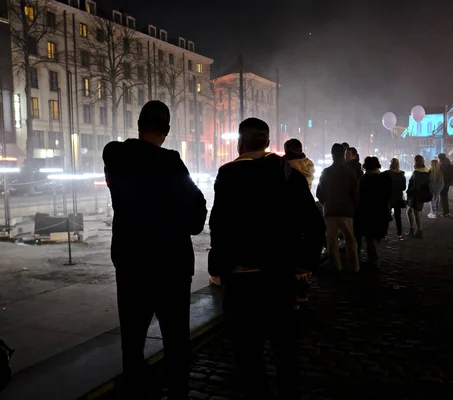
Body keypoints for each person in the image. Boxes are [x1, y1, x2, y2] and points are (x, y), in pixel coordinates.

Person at [208, 118, 325, 400]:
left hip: (241, 278)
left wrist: (218, 268)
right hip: (280, 277)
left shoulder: (229, 174)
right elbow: (314, 223)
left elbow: (219, 225)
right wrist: (306, 262)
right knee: (285, 351)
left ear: (241, 142)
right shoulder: (289, 174)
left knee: (248, 356)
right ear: (268, 142)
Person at [103, 101, 207, 400]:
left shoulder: (116, 156)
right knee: (176, 342)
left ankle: (134, 392)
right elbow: (197, 212)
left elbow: (114, 150)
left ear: (139, 125)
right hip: (170, 266)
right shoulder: (172, 163)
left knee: (132, 342)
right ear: (167, 130)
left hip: (131, 264)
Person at [317, 143, 360, 272]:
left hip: (330, 210)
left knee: (332, 241)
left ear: (332, 155)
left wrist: (325, 203)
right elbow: (355, 192)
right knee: (350, 239)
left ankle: (337, 267)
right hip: (346, 210)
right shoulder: (350, 172)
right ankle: (355, 266)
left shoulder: (326, 172)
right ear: (343, 154)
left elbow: (319, 192)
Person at [354, 157, 392, 266]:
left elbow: (359, 196)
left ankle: (359, 259)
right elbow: (388, 195)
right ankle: (373, 258)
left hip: (365, 213)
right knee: (372, 236)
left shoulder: (364, 179)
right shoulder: (384, 178)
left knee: (364, 236)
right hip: (380, 212)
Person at [406, 155, 432, 239]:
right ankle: (414, 230)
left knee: (416, 212)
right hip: (423, 194)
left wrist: (409, 192)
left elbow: (413, 185)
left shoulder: (416, 172)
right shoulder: (427, 171)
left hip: (415, 195)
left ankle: (418, 231)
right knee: (412, 211)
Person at [382, 158, 406, 239]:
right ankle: (400, 234)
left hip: (388, 197)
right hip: (398, 197)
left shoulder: (386, 174)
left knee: (386, 216)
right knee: (398, 216)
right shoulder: (401, 174)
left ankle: (384, 234)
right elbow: (404, 187)